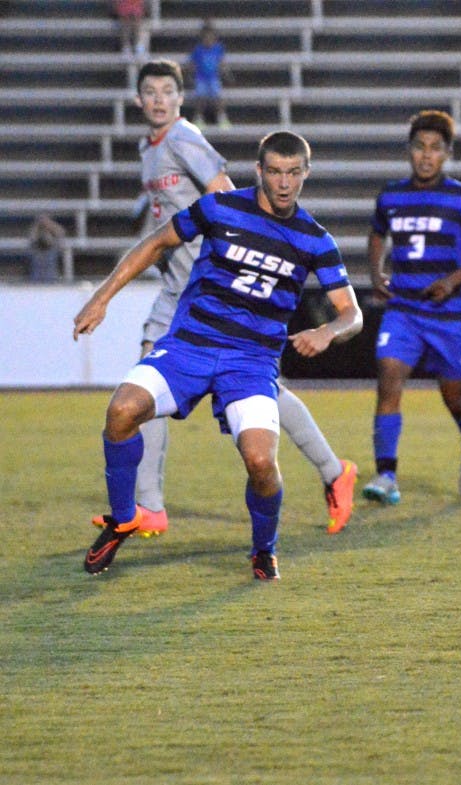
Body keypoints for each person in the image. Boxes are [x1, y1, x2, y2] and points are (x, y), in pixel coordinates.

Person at [74, 131, 363, 580]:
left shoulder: (315, 239)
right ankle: (124, 517)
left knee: (262, 463)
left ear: (306, 173)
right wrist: (102, 297)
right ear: (259, 171)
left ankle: (263, 549)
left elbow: (352, 313)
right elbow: (155, 243)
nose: (284, 183)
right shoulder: (220, 207)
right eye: (275, 172)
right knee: (122, 411)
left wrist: (328, 331)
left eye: (293, 173)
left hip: (250, 364)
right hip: (190, 345)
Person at [118, 60, 357, 541]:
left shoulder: (184, 138)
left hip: (207, 290)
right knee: (244, 388)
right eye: (151, 91)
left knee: (230, 387)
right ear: (139, 99)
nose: (160, 99)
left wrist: (239, 257)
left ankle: (149, 505)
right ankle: (333, 472)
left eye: (168, 90)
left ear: (181, 99)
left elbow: (225, 194)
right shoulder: (152, 146)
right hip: (182, 290)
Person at [363, 110, 461, 505]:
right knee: (388, 377)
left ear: (447, 153)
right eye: (420, 147)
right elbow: (376, 234)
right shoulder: (391, 195)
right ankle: (386, 475)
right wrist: (376, 273)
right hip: (403, 308)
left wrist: (452, 280)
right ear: (410, 151)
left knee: (454, 396)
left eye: (435, 148)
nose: (426, 155)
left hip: (450, 315)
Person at [187, 19, 232, 128]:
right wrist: (189, 76)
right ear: (202, 38)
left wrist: (226, 74)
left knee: (217, 98)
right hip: (201, 78)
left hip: (213, 78)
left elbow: (221, 63)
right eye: (206, 37)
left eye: (211, 37)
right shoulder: (198, 50)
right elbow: (192, 64)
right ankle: (198, 118)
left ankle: (222, 118)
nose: (208, 40)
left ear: (214, 38)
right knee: (200, 99)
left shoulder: (218, 48)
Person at [26, 213, 66, 282]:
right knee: (38, 256)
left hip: (50, 262)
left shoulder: (52, 233)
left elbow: (61, 233)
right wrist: (38, 225)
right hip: (38, 258)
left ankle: (51, 280)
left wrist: (49, 224)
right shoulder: (36, 231)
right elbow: (32, 238)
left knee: (50, 249)